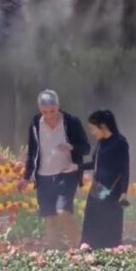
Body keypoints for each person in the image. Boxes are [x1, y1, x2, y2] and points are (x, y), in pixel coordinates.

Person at [21, 90, 91, 250]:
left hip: (66, 174)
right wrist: (26, 176)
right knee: (49, 218)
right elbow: (32, 151)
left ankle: (79, 248)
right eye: (45, 112)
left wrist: (71, 147)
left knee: (63, 212)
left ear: (58, 106)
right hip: (43, 177)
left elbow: (86, 148)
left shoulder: (71, 122)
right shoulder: (35, 123)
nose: (49, 115)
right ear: (39, 109)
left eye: (52, 111)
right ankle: (55, 255)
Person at [80, 110, 130, 250]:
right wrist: (78, 167)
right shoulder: (101, 142)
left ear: (102, 126)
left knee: (109, 226)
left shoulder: (120, 142)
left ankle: (110, 253)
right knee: (92, 223)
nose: (92, 132)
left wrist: (124, 192)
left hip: (113, 191)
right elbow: (95, 163)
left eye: (93, 129)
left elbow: (125, 169)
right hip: (97, 189)